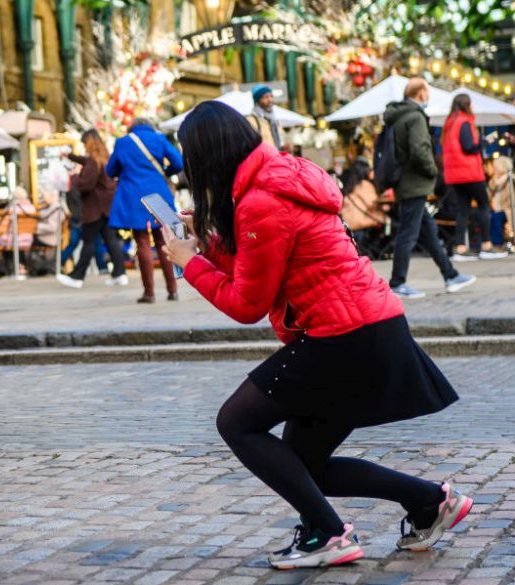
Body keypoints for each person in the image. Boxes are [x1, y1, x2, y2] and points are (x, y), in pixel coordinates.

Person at [163, 101, 469, 570]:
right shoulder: (278, 179)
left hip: (342, 333)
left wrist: (192, 262)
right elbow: (261, 269)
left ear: (207, 157)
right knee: (304, 463)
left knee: (237, 423)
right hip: (366, 324)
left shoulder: (259, 201)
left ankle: (328, 533)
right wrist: (211, 244)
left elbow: (246, 304)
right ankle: (429, 501)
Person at [384, 78, 475, 299]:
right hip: (414, 183)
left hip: (406, 182)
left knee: (429, 233)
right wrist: (433, 170)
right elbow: (419, 150)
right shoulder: (414, 117)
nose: (429, 96)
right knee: (408, 234)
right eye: (427, 91)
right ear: (420, 93)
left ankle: (450, 274)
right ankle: (397, 283)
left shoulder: (398, 116)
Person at [107, 118, 184, 303]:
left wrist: (127, 172)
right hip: (158, 193)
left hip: (133, 194)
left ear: (131, 128)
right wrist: (164, 171)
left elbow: (110, 170)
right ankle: (172, 290)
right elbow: (178, 162)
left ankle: (149, 293)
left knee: (141, 241)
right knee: (162, 240)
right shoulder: (159, 139)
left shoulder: (123, 142)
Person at [56, 129, 128, 289]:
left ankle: (76, 276)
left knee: (88, 241)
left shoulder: (93, 161)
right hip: (107, 207)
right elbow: (86, 162)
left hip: (95, 208)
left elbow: (86, 183)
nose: (83, 146)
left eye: (83, 143)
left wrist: (72, 177)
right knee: (111, 240)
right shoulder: (103, 157)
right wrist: (70, 156)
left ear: (88, 143)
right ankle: (119, 273)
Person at [441, 94, 508, 261]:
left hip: (454, 175)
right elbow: (469, 147)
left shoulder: (449, 124)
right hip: (469, 172)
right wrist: (484, 143)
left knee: (463, 210)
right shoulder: (464, 122)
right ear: (467, 105)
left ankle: (461, 248)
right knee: (484, 205)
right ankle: (486, 245)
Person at [246, 85, 286, 152]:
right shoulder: (251, 120)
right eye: (265, 97)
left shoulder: (275, 121)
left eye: (271, 96)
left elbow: (281, 142)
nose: (270, 100)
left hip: (277, 159)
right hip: (263, 160)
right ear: (257, 100)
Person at [488, 155, 513, 248]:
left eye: (496, 167)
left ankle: (497, 243)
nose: (494, 169)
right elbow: (488, 196)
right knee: (487, 216)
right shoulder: (493, 181)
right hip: (495, 208)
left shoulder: (510, 179)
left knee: (496, 217)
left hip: (507, 209)